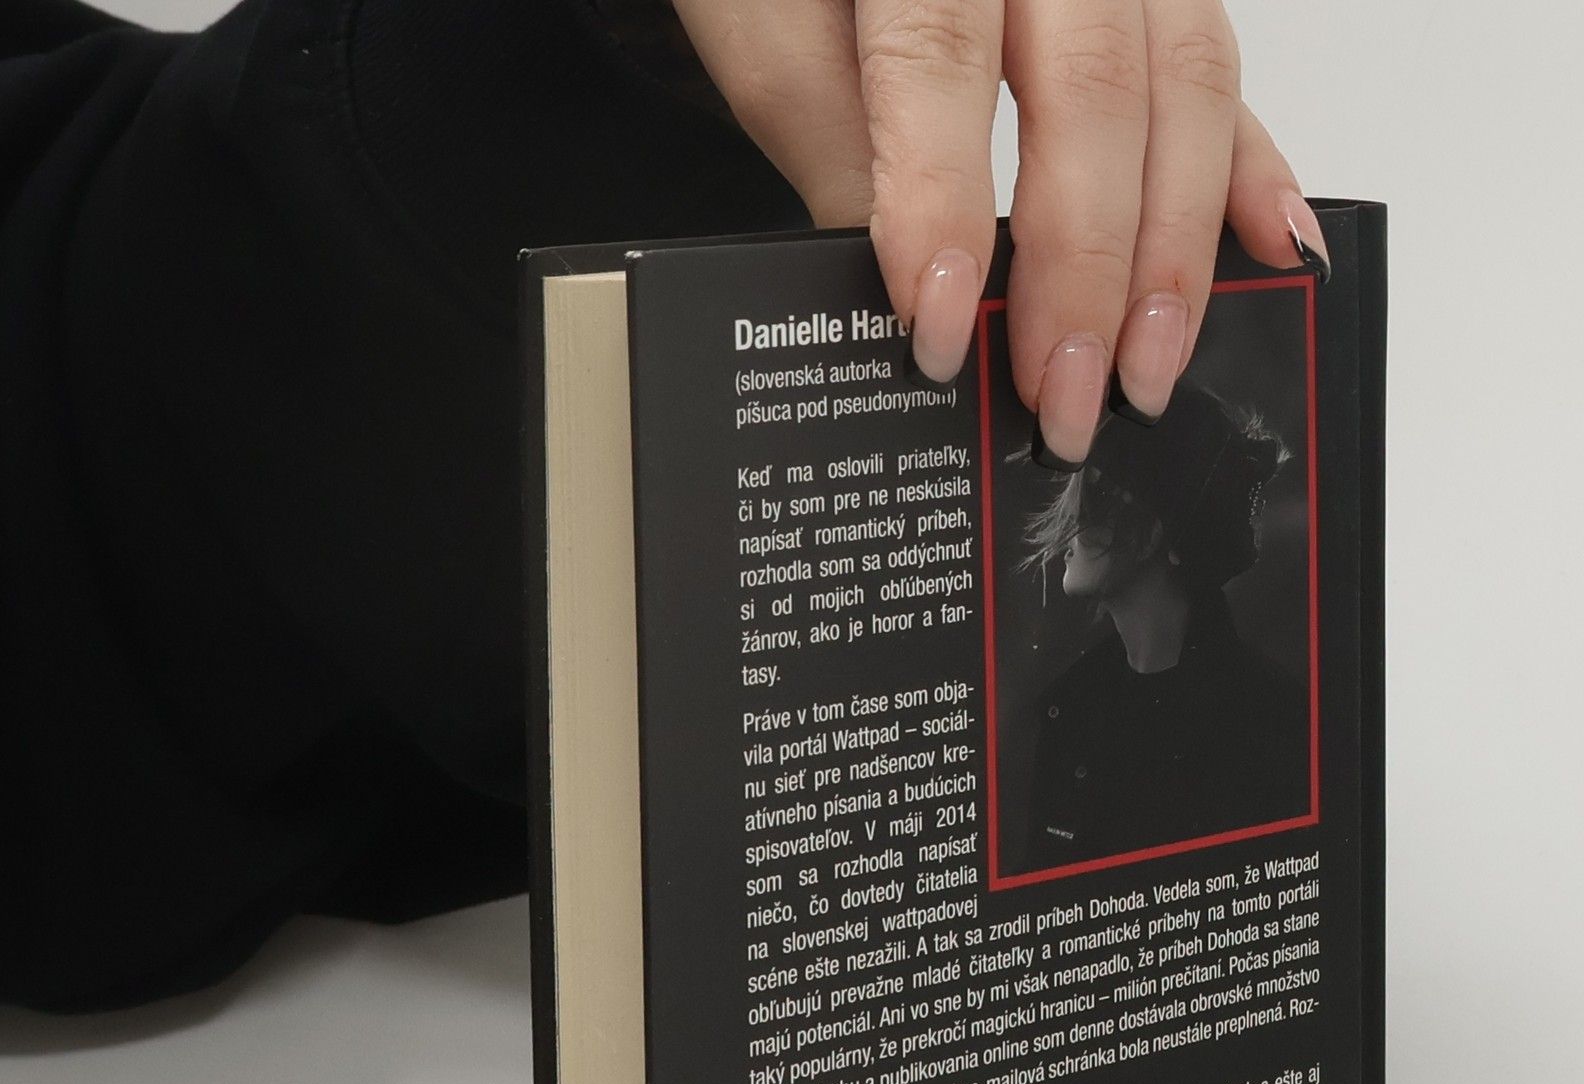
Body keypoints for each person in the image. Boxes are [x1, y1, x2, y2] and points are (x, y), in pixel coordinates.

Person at [0, 0, 1327, 1012]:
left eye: (1112, 491)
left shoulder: (1220, 718)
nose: (1077, 508)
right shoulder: (1059, 700)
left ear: (1166, 525)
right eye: (1092, 481)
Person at [1012, 381, 1308, 873]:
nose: (1068, 529)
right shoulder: (1070, 707)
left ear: (1152, 533)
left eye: (1095, 495)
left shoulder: (1270, 727)